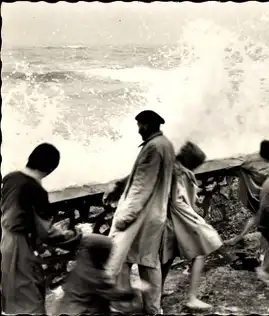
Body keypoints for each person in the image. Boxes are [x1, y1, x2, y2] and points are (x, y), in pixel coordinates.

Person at [102, 110, 175, 314]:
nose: (138, 130)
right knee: (148, 262)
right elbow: (142, 174)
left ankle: (120, 305)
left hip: (140, 217)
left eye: (140, 125)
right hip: (154, 216)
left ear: (147, 125)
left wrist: (125, 216)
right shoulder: (164, 145)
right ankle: (153, 308)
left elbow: (142, 185)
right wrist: (121, 184)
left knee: (119, 256)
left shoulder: (153, 148)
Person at [0, 143, 82, 314]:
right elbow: (47, 233)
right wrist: (74, 235)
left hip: (4, 240)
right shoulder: (36, 190)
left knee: (11, 296)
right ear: (50, 169)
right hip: (20, 246)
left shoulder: (10, 177)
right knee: (31, 300)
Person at [160, 141, 223, 311]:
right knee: (201, 251)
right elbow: (181, 202)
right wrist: (197, 221)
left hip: (164, 221)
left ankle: (157, 292)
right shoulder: (183, 175)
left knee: (168, 256)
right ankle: (192, 298)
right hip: (177, 220)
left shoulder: (169, 169)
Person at [55, 234, 141, 314]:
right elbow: (116, 294)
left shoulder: (81, 267)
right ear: (100, 253)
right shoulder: (95, 276)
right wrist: (135, 289)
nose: (111, 255)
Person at [225, 140, 269, 247]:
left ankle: (239, 239)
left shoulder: (252, 160)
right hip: (265, 195)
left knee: (259, 218)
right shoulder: (268, 166)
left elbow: (241, 164)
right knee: (262, 220)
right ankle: (263, 249)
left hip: (258, 194)